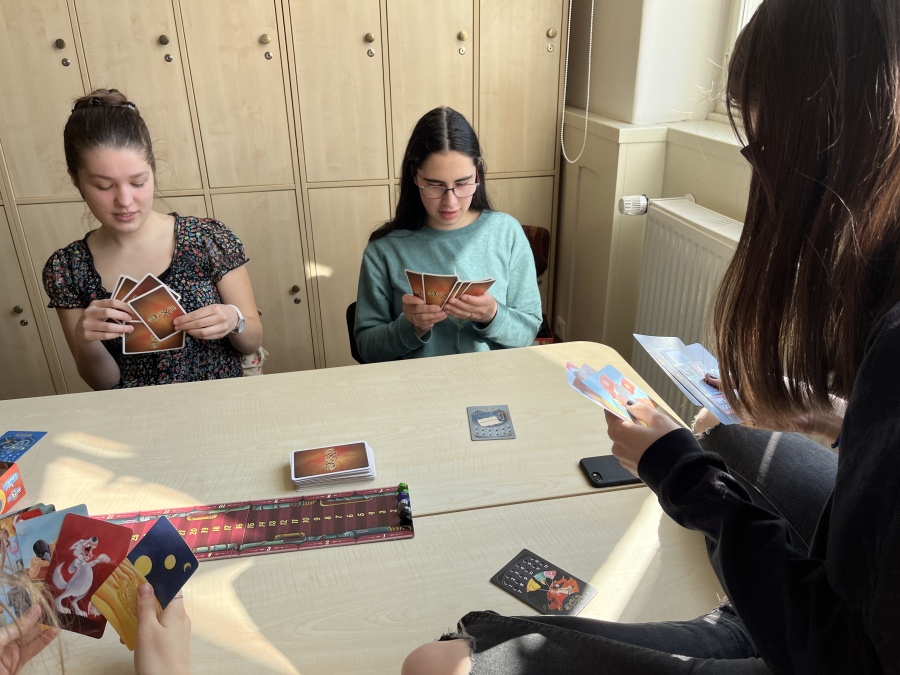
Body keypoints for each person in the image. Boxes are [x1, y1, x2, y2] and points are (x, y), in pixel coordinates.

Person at [402, 0, 900, 672]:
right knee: (720, 432)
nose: (759, 176)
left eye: (762, 149)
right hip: (842, 612)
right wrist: (833, 414)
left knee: (435, 664)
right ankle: (752, 612)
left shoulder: (505, 233)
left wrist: (679, 473)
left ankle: (750, 621)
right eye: (435, 185)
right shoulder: (389, 248)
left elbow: (845, 652)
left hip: (830, 651)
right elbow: (374, 345)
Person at [43, 89, 262, 390]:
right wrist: (85, 339)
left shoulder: (207, 238)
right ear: (75, 179)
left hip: (221, 404)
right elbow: (102, 383)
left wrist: (234, 319)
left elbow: (253, 341)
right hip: (138, 413)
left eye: (138, 182)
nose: (125, 200)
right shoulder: (67, 269)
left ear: (153, 171)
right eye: (104, 186)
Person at [354, 107, 542, 363]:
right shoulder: (384, 250)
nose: (450, 202)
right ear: (414, 176)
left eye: (463, 183)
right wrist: (410, 327)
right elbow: (367, 349)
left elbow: (527, 334)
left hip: (493, 381)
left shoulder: (506, 233)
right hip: (416, 383)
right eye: (435, 185)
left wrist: (493, 315)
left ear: (478, 173)